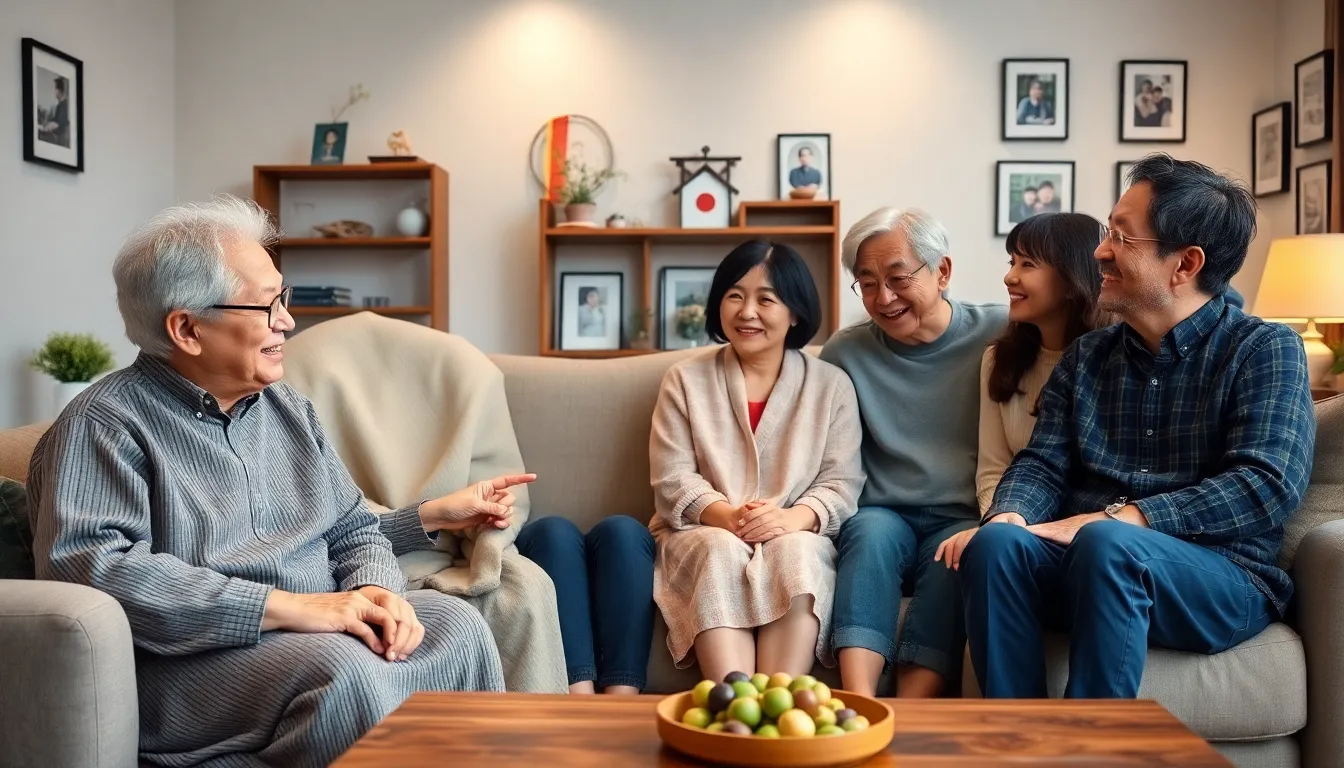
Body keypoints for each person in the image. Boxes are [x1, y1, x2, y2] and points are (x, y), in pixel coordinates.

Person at [28, 196, 512, 766]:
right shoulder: (104, 425)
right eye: (265, 306)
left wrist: (374, 589)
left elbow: (353, 528)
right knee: (346, 672)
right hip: (193, 660)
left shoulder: (287, 408)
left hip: (312, 630)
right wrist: (283, 607)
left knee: (457, 626)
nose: (287, 320)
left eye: (283, 297)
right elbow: (93, 569)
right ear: (186, 328)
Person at [959, 153, 1317, 699]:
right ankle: (1017, 742)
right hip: (1088, 559)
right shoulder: (1087, 356)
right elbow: (1042, 462)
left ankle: (1094, 752)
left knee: (1110, 542)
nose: (1100, 250)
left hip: (1219, 577)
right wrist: (1012, 512)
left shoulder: (1264, 349)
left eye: (1122, 238)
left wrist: (1127, 518)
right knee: (996, 545)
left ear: (1185, 264)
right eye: (1108, 231)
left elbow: (1265, 485)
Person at [649, 240, 864, 682]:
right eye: (734, 296)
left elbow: (841, 482)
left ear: (795, 312)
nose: (747, 312)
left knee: (798, 551)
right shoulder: (684, 380)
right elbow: (672, 478)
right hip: (704, 529)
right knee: (718, 547)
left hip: (794, 529)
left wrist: (794, 519)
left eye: (766, 299)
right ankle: (733, 709)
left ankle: (779, 704)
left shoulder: (832, 386)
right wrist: (726, 516)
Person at [820, 208, 1008, 698]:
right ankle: (857, 703)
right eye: (867, 283)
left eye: (899, 278)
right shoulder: (846, 351)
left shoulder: (1003, 333)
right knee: (870, 535)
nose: (883, 298)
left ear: (942, 272)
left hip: (964, 512)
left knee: (958, 556)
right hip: (884, 511)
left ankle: (911, 710)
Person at [933, 213, 1104, 571]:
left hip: (1093, 541)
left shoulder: (1114, 360)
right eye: (1013, 262)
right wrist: (1002, 525)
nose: (1009, 276)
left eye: (1028, 264)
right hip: (1018, 529)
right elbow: (993, 470)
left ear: (1073, 278)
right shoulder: (1000, 359)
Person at [515, 514, 656, 694]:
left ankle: (621, 700)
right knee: (553, 533)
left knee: (624, 532)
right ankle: (579, 699)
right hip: (542, 539)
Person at [40, 76, 70, 147]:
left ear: (58, 90)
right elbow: (55, 120)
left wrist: (47, 127)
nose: (54, 92)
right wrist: (47, 124)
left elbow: (59, 123)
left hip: (60, 140)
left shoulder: (64, 105)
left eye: (55, 89)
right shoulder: (60, 105)